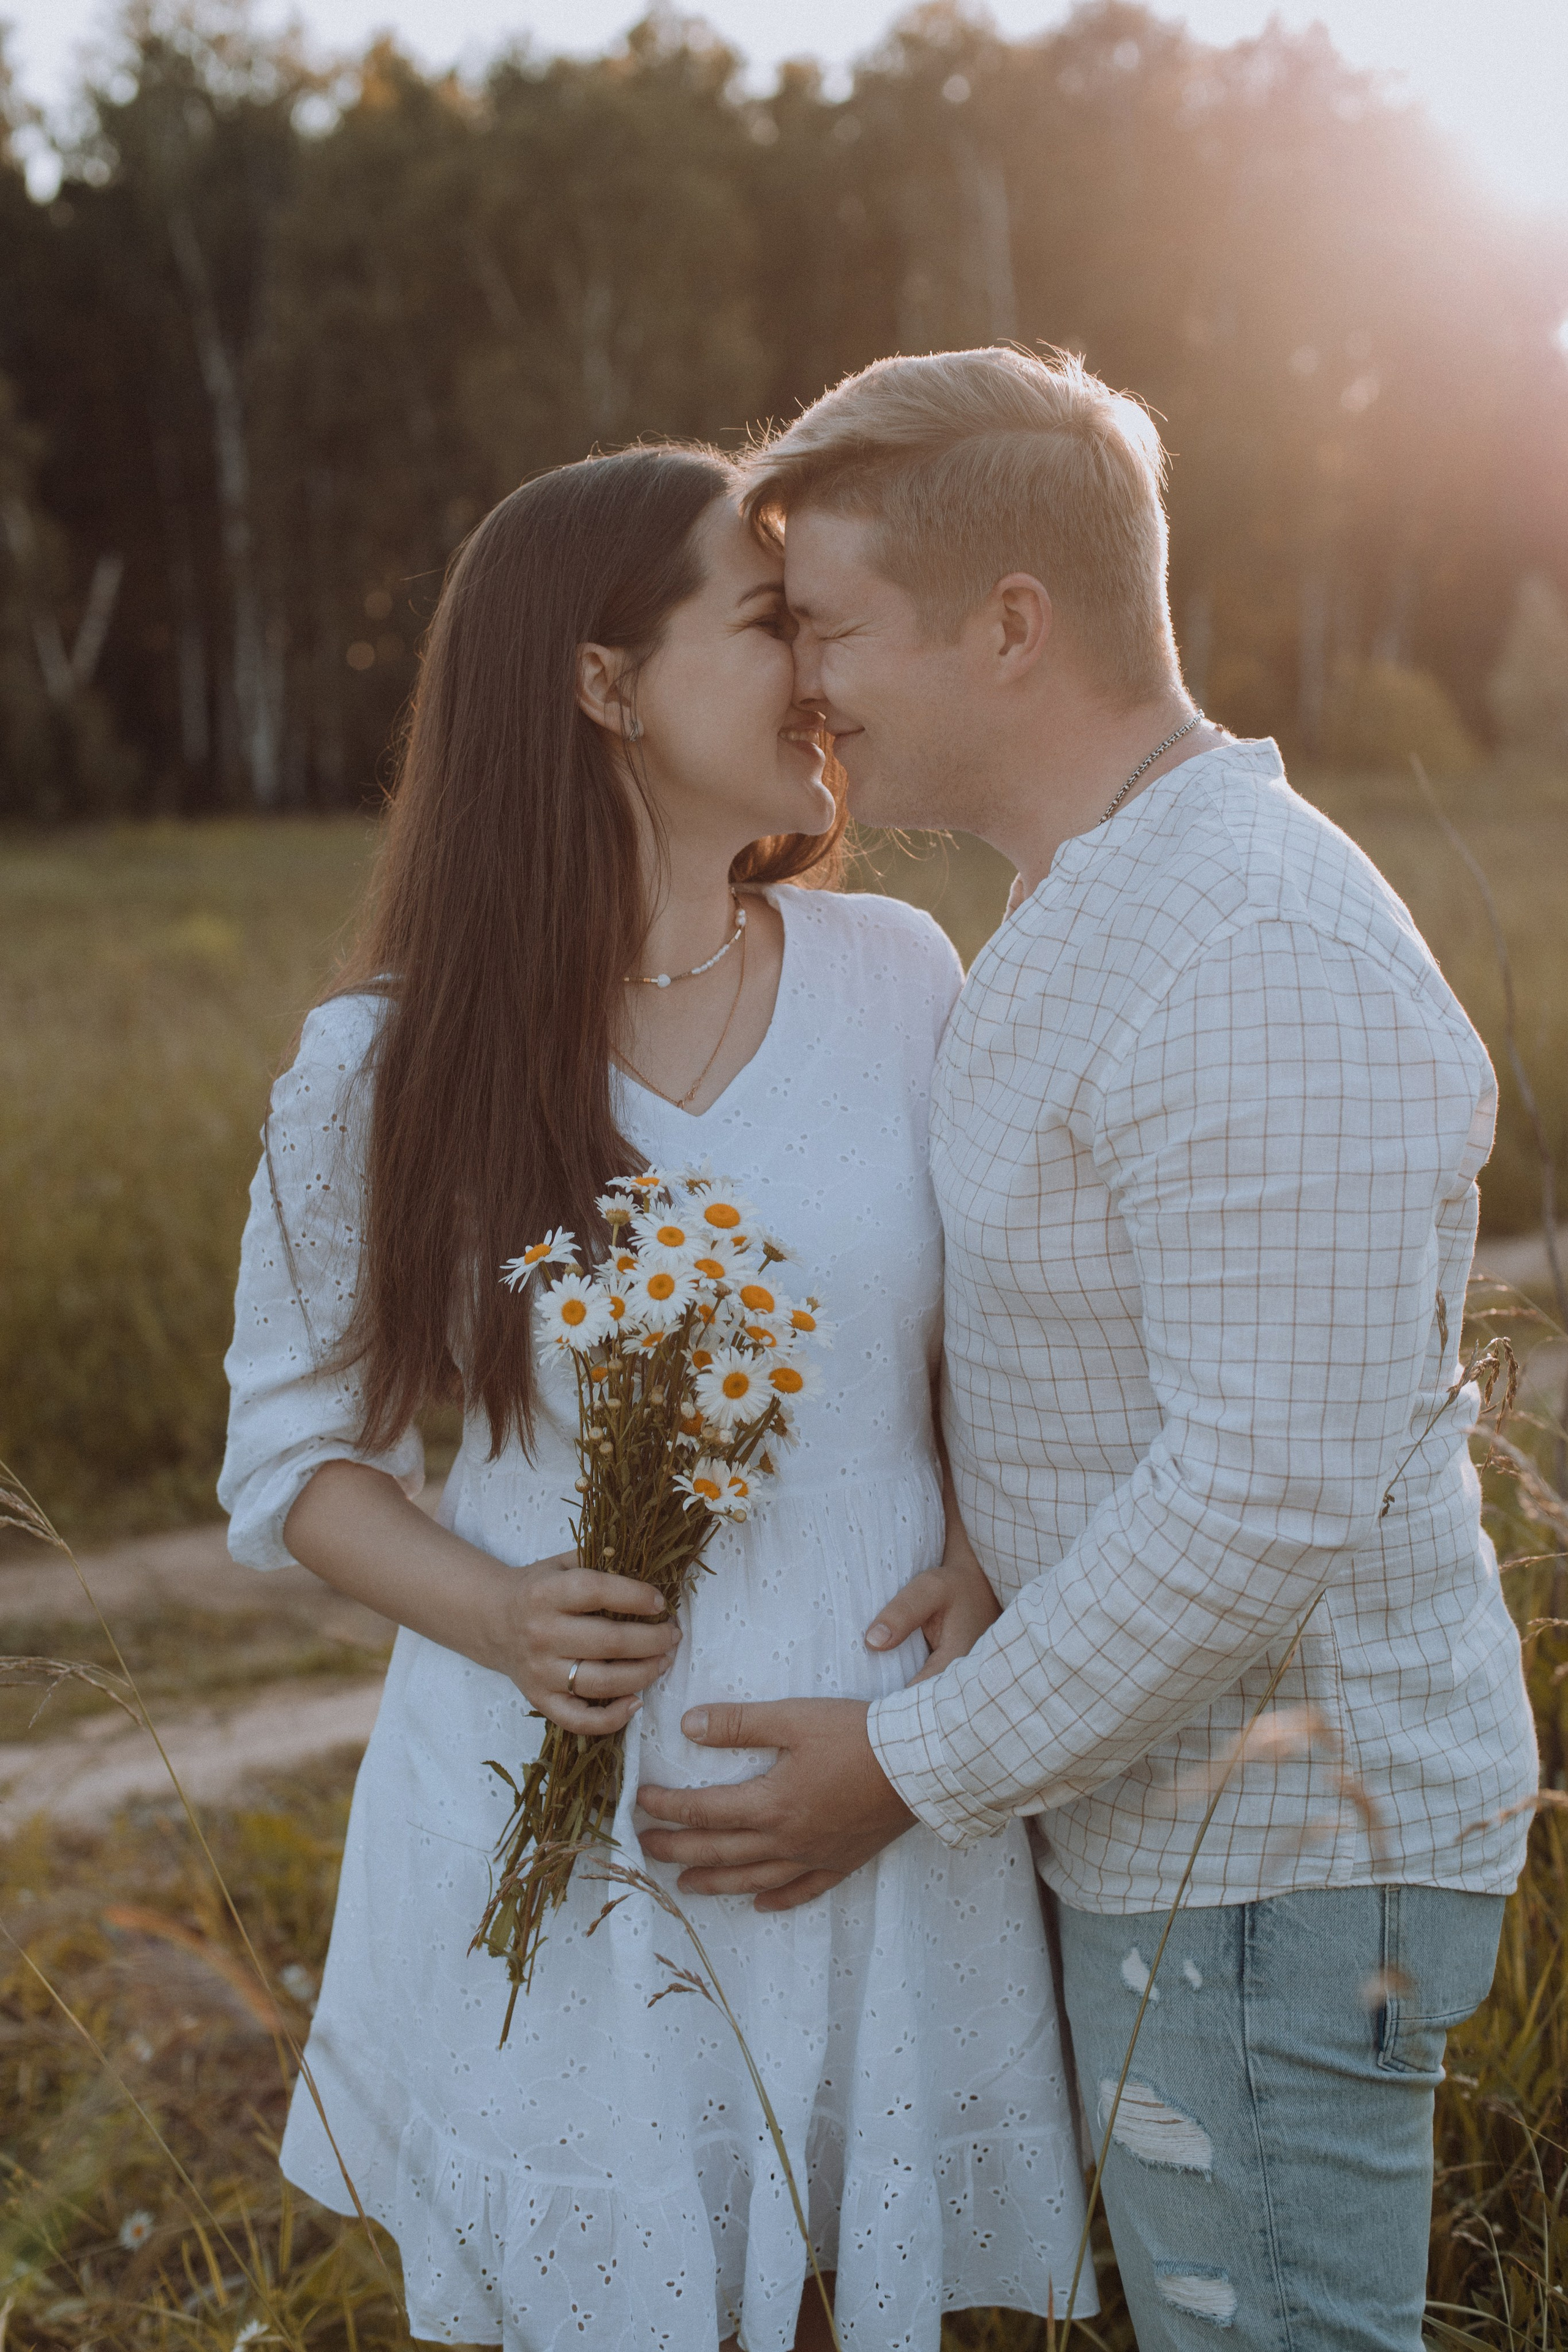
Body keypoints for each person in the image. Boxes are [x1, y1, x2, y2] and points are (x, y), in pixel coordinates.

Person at [636, 352, 1540, 2351]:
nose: (812, 691)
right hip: (1180, 1837)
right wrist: (985, 1526)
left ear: (1015, 627)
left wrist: (902, 1764)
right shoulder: (1092, 902)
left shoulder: (1252, 944)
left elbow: (1258, 1498)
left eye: (843, 629)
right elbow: (1129, 1364)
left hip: (1282, 1862)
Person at [217, 443, 1093, 2352]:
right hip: (556, 1812)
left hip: (880, 1801)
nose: (821, 672)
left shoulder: (904, 975)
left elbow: (1007, 1351)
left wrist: (976, 1544)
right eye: (768, 619)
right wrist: (502, 1611)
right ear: (605, 684)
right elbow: (292, 1453)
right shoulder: (387, 1060)